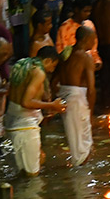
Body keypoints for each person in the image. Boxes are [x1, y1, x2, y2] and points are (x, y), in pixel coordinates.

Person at [5, 46, 66, 176]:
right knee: (33, 175)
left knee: (25, 171)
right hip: (25, 126)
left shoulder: (22, 65)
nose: (52, 70)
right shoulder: (39, 72)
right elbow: (26, 102)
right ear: (48, 61)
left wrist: (46, 109)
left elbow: (11, 93)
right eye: (53, 66)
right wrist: (52, 105)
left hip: (12, 122)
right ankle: (32, 196)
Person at [55, 24, 97, 165]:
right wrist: (90, 113)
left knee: (75, 140)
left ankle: (79, 175)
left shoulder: (65, 54)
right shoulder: (85, 58)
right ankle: (82, 182)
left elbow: (53, 82)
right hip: (77, 99)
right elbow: (91, 89)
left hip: (64, 96)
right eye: (93, 39)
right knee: (82, 145)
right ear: (86, 39)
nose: (94, 42)